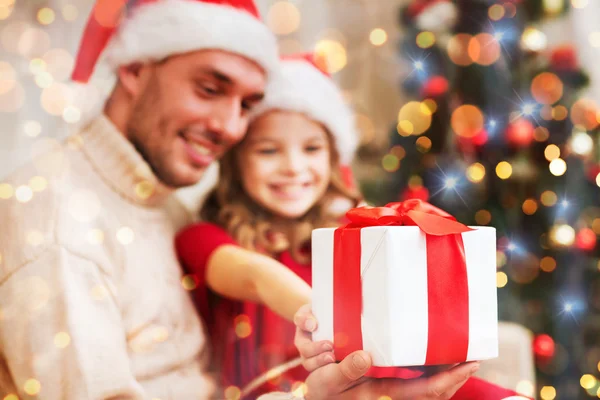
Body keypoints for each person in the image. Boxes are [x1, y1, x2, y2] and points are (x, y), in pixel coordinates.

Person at [0, 0, 479, 398]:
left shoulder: (164, 201)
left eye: (248, 105)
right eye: (209, 89)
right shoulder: (59, 221)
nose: (231, 128)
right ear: (133, 68)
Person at [176, 53, 363, 398]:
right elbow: (256, 276)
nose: (293, 167)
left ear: (333, 157)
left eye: (311, 148)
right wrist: (321, 317)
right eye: (268, 151)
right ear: (235, 162)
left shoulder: (349, 237)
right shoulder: (202, 237)